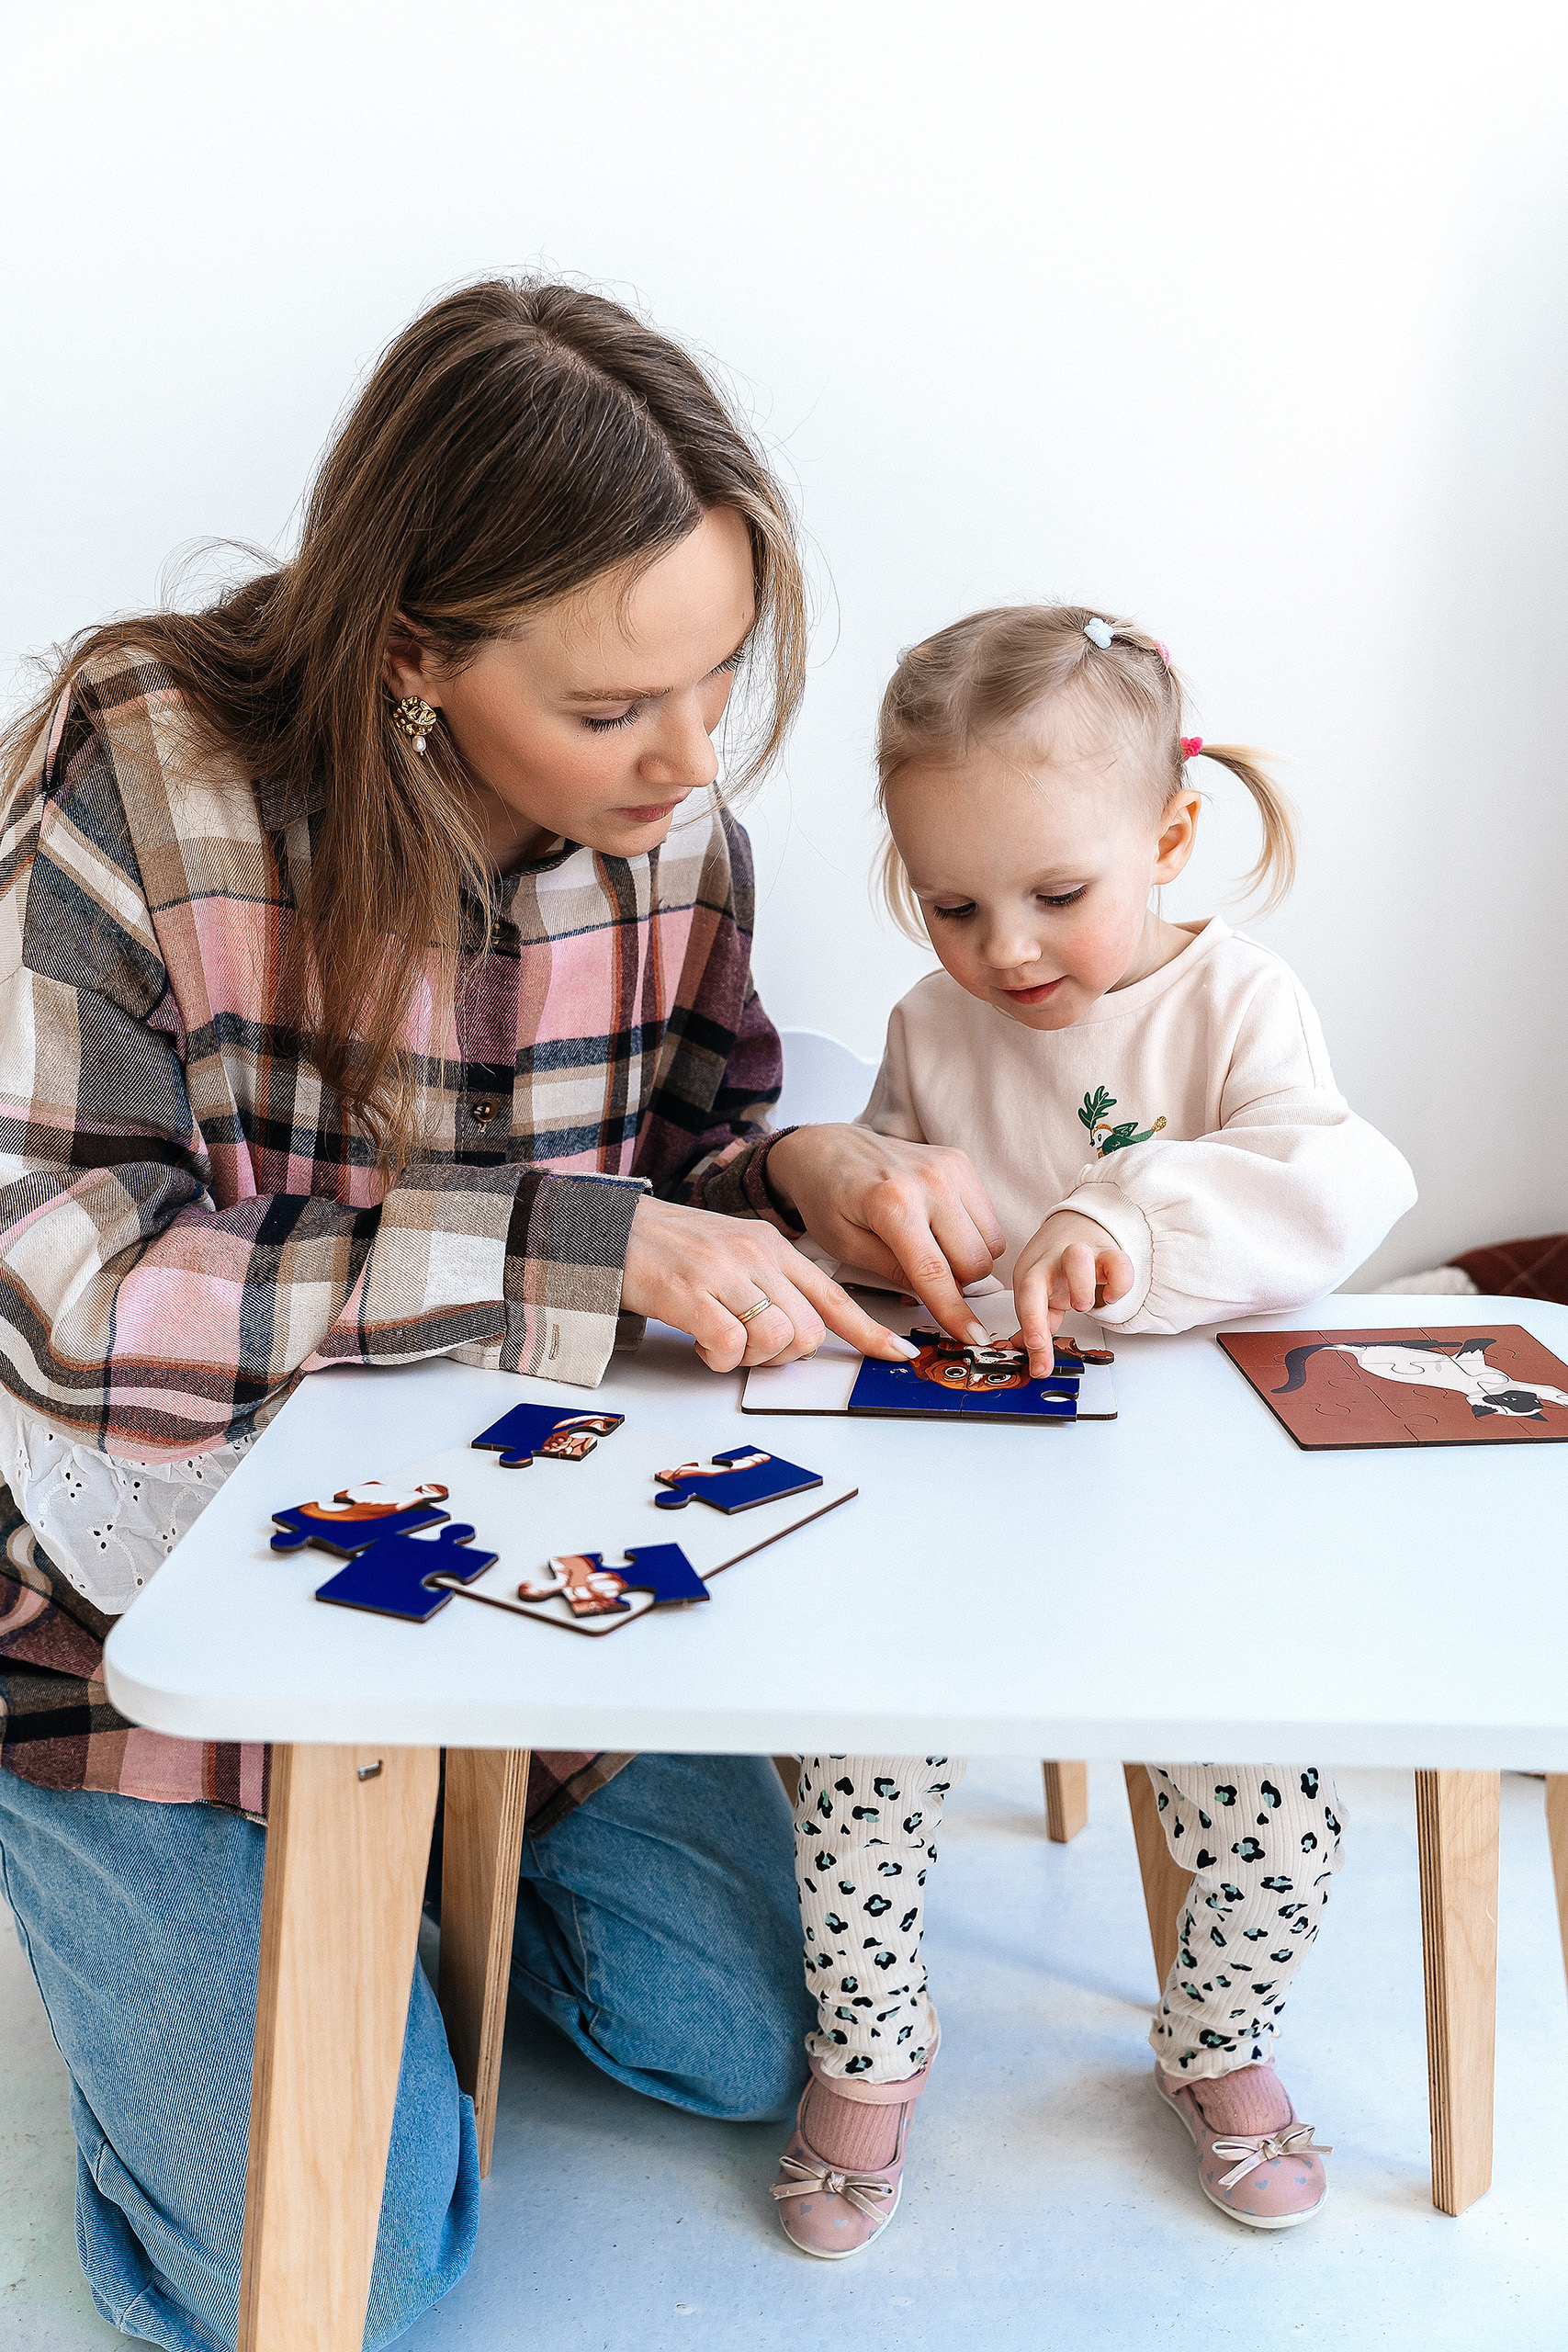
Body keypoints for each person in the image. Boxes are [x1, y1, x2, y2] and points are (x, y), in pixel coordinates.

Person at [0, 278, 1001, 2351]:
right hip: (135, 1602)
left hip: (516, 1565)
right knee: (330, 2278)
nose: (694, 756)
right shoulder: (131, 767)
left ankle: (394, 1892)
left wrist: (795, 1170)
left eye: (720, 677)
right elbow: (67, 1289)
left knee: (750, 2038)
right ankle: (205, 1901)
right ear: (410, 658)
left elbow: (688, 1161)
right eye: (618, 705)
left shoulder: (675, 840)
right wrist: (579, 1240)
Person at [771, 605, 1416, 2257]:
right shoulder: (931, 1024)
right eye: (953, 904)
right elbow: (891, 1209)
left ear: (1172, 834)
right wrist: (877, 1226)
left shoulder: (1238, 1005)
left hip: (1189, 1527)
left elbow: (1337, 1180)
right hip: (965, 1502)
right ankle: (871, 2056)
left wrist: (1130, 1221)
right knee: (853, 1775)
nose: (1007, 950)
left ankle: (1220, 2040)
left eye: (1058, 894)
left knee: (1278, 1812)